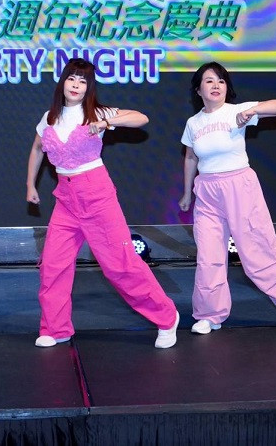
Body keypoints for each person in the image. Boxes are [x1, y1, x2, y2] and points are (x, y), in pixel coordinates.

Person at [26, 58, 180, 349]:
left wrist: (107, 123)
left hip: (96, 193)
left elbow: (141, 118)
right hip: (65, 198)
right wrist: (30, 184)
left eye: (83, 81)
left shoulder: (96, 112)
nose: (76, 85)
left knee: (119, 264)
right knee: (53, 264)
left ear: (89, 87)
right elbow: (37, 149)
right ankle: (56, 328)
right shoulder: (49, 117)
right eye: (72, 78)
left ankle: (166, 317)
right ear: (63, 82)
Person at [178, 62, 276, 334]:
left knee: (259, 249)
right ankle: (209, 314)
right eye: (209, 81)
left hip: (239, 185)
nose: (216, 86)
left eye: (221, 81)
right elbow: (191, 157)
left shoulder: (237, 111)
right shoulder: (193, 123)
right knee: (208, 256)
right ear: (198, 90)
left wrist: (252, 110)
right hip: (207, 191)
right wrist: (186, 193)